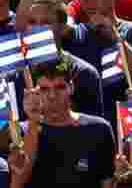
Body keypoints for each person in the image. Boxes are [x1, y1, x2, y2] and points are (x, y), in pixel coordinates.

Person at [7, 55, 115, 188]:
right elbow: (17, 184)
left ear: (71, 87)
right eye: (44, 89)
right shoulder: (22, 132)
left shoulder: (99, 129)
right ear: (35, 91)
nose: (52, 96)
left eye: (59, 87)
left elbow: (107, 183)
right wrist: (33, 122)